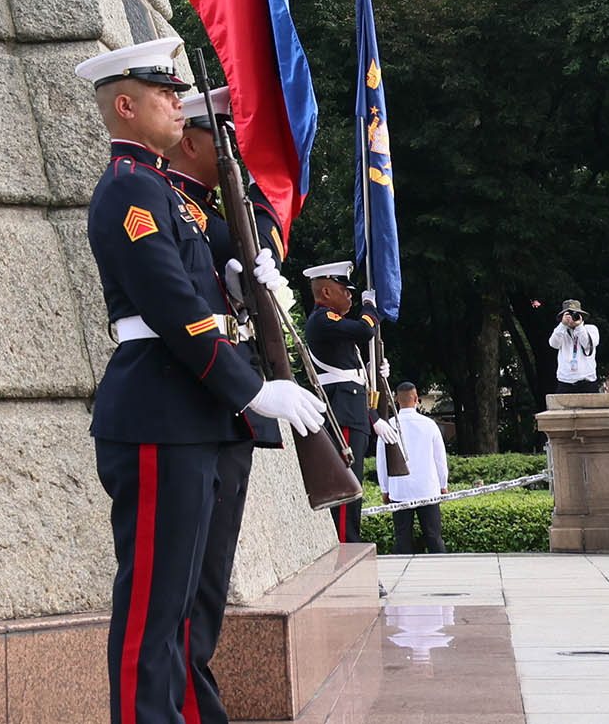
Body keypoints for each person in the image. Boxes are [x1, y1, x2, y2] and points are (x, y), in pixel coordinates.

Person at [79, 40, 327, 724]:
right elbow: (171, 307)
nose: (176, 102)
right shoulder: (128, 188)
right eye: (165, 94)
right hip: (162, 410)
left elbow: (240, 248)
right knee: (156, 607)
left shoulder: (171, 195)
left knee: (197, 602)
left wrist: (248, 272)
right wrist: (250, 389)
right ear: (125, 105)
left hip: (204, 414)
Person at [163, 86, 293, 722]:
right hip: (199, 403)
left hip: (229, 410)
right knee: (184, 586)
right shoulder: (169, 205)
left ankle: (197, 700)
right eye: (223, 140)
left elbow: (249, 244)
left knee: (209, 582)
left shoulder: (214, 212)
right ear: (190, 140)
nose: (234, 152)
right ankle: (193, 708)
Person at [303, 263, 377, 542]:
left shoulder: (333, 322)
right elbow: (364, 330)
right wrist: (369, 307)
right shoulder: (323, 319)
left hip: (352, 407)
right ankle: (347, 548)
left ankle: (349, 546)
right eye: (344, 291)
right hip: (342, 411)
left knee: (353, 485)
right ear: (325, 291)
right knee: (347, 487)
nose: (349, 297)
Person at [376, 382, 450, 554]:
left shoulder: (389, 426)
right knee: (433, 536)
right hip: (428, 489)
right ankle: (443, 570)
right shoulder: (429, 424)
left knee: (402, 536)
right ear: (417, 399)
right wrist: (443, 484)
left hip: (400, 488)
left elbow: (382, 460)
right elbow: (440, 459)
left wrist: (384, 489)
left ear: (396, 399)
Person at [548, 300, 601, 390]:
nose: (572, 318)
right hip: (565, 382)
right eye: (569, 315)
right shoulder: (561, 331)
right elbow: (554, 344)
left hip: (588, 381)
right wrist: (563, 325)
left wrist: (579, 326)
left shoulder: (591, 329)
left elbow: (588, 345)